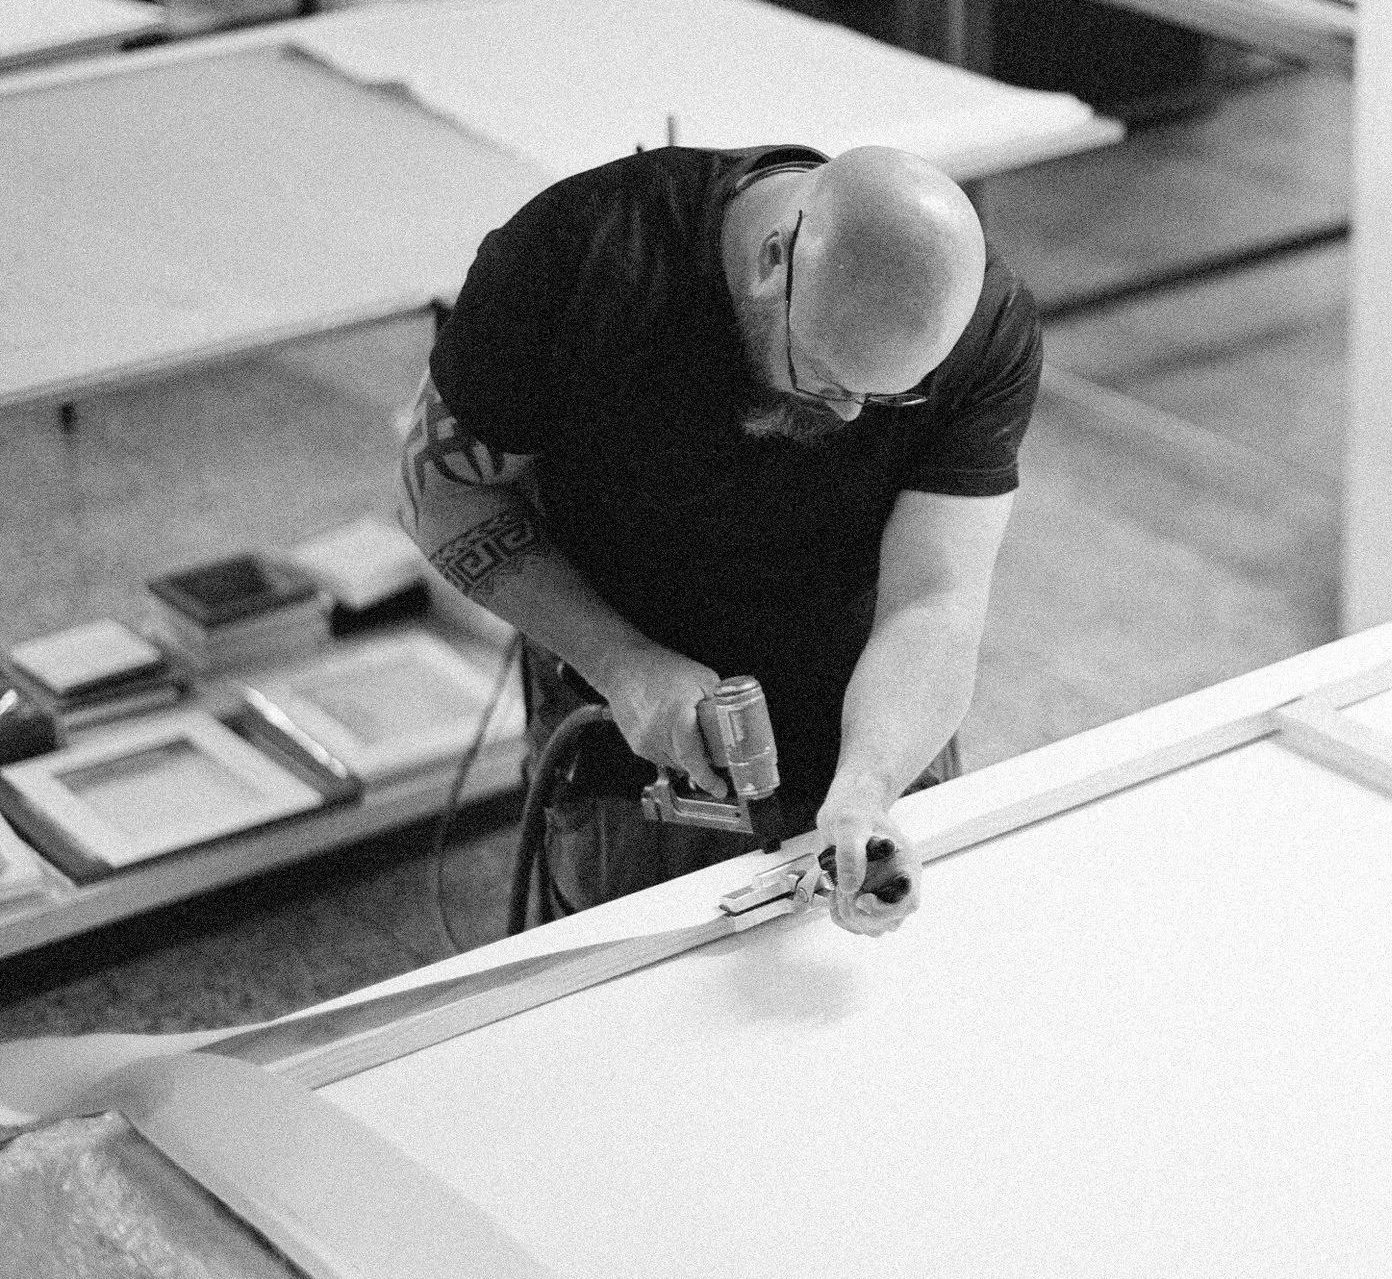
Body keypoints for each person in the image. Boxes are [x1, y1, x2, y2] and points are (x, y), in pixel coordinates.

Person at [397, 142, 1039, 936]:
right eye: (829, 379)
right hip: (633, 763)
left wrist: (868, 785)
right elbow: (441, 496)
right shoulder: (582, 260)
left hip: (883, 727)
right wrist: (624, 666)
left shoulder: (986, 323)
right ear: (774, 261)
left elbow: (936, 600)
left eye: (888, 396)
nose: (847, 418)